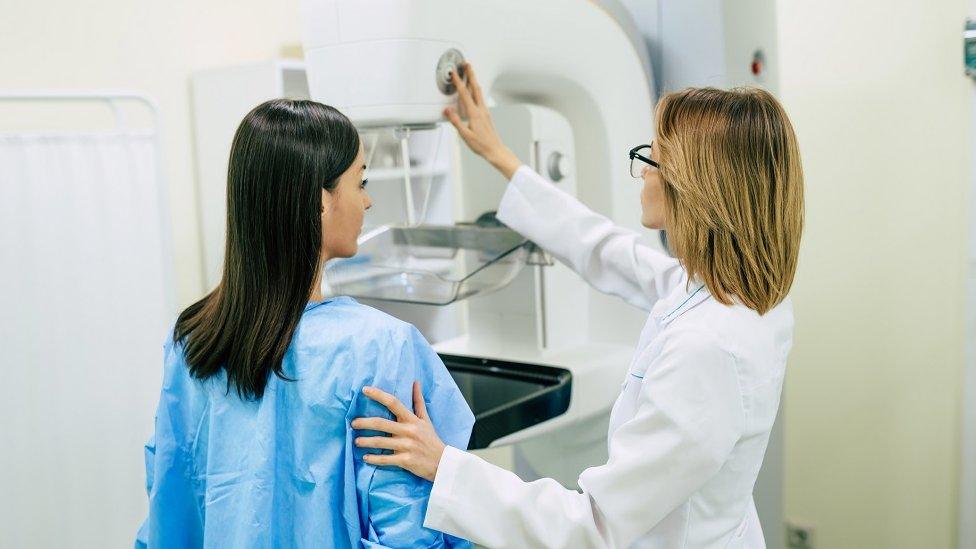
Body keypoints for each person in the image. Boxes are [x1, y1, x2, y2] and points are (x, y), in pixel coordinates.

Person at [353, 64, 804, 548]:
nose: (643, 170)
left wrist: (443, 465)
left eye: (653, 156)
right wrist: (500, 156)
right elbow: (610, 251)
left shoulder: (707, 348)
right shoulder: (744, 293)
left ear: (695, 186)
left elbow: (594, 526)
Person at [135, 99, 474, 548]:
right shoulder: (380, 347)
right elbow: (411, 527)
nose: (368, 200)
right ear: (320, 201)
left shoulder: (193, 339)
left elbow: (168, 511)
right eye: (361, 181)